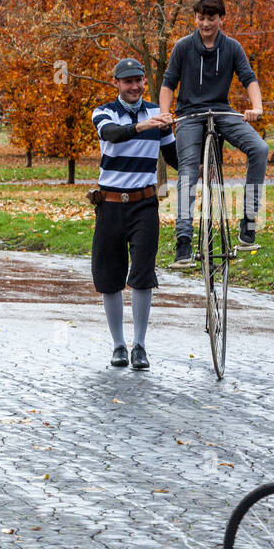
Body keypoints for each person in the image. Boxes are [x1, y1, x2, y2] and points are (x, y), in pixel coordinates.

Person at [159, 0, 268, 268]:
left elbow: (249, 78)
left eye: (211, 18)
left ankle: (249, 221)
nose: (205, 24)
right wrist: (164, 113)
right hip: (189, 115)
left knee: (259, 148)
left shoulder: (232, 47)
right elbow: (168, 83)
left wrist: (257, 107)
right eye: (200, 18)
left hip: (221, 111)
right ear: (195, 18)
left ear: (221, 19)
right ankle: (183, 241)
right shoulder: (183, 47)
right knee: (188, 170)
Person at [90, 57, 178, 370]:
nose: (135, 86)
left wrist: (199, 144)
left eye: (139, 80)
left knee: (142, 275)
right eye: (128, 81)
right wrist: (141, 126)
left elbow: (174, 156)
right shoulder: (103, 112)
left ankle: (140, 346)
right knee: (110, 277)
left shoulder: (158, 112)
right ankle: (118, 345)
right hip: (110, 203)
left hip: (144, 203)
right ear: (116, 83)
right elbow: (111, 134)